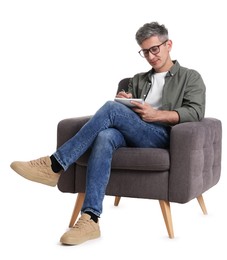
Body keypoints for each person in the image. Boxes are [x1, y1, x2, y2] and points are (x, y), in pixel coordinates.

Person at [10, 21, 206, 246]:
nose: (151, 56)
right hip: (132, 130)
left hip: (161, 135)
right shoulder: (138, 79)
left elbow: (196, 111)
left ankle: (54, 165)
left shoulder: (190, 77)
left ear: (168, 44)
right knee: (105, 136)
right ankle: (90, 219)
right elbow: (121, 114)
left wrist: (156, 115)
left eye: (155, 49)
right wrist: (125, 100)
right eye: (145, 52)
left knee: (111, 109)